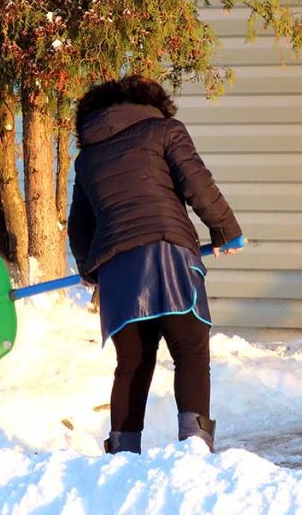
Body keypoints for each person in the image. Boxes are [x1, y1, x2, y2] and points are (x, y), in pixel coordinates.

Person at [67, 75, 243, 455]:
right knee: (190, 349)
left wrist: (89, 269)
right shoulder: (164, 131)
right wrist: (225, 229)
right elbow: (197, 184)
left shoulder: (88, 159)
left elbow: (80, 225)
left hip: (116, 269)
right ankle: (194, 446)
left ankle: (122, 450)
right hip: (166, 253)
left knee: (132, 360)